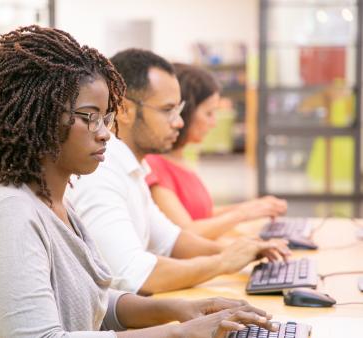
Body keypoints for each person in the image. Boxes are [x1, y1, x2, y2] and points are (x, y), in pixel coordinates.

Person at [0, 26, 279, 338]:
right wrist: (179, 332)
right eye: (89, 117)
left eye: (105, 117)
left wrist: (180, 309)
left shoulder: (55, 203)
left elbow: (94, 302)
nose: (106, 132)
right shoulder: (12, 214)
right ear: (42, 118)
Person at [66, 48, 290, 295]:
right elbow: (134, 275)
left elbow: (171, 240)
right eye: (167, 110)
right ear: (124, 110)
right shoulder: (101, 174)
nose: (178, 122)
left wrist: (247, 250)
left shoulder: (132, 168)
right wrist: (222, 262)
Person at [145, 63, 287, 240]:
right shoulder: (154, 166)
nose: (213, 123)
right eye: (209, 113)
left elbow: (201, 214)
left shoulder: (180, 159)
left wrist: (253, 208)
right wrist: (242, 214)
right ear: (185, 113)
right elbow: (186, 233)